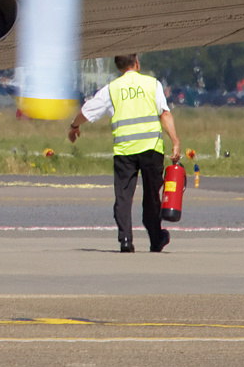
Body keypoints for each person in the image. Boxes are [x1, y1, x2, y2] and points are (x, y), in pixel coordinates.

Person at [66, 53, 181, 253]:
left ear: (118, 67)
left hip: (125, 151)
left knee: (123, 197)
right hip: (151, 148)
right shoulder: (152, 84)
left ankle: (126, 239)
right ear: (137, 62)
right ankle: (155, 238)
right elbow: (165, 113)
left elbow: (87, 110)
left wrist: (74, 126)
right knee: (152, 196)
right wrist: (175, 141)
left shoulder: (112, 89)